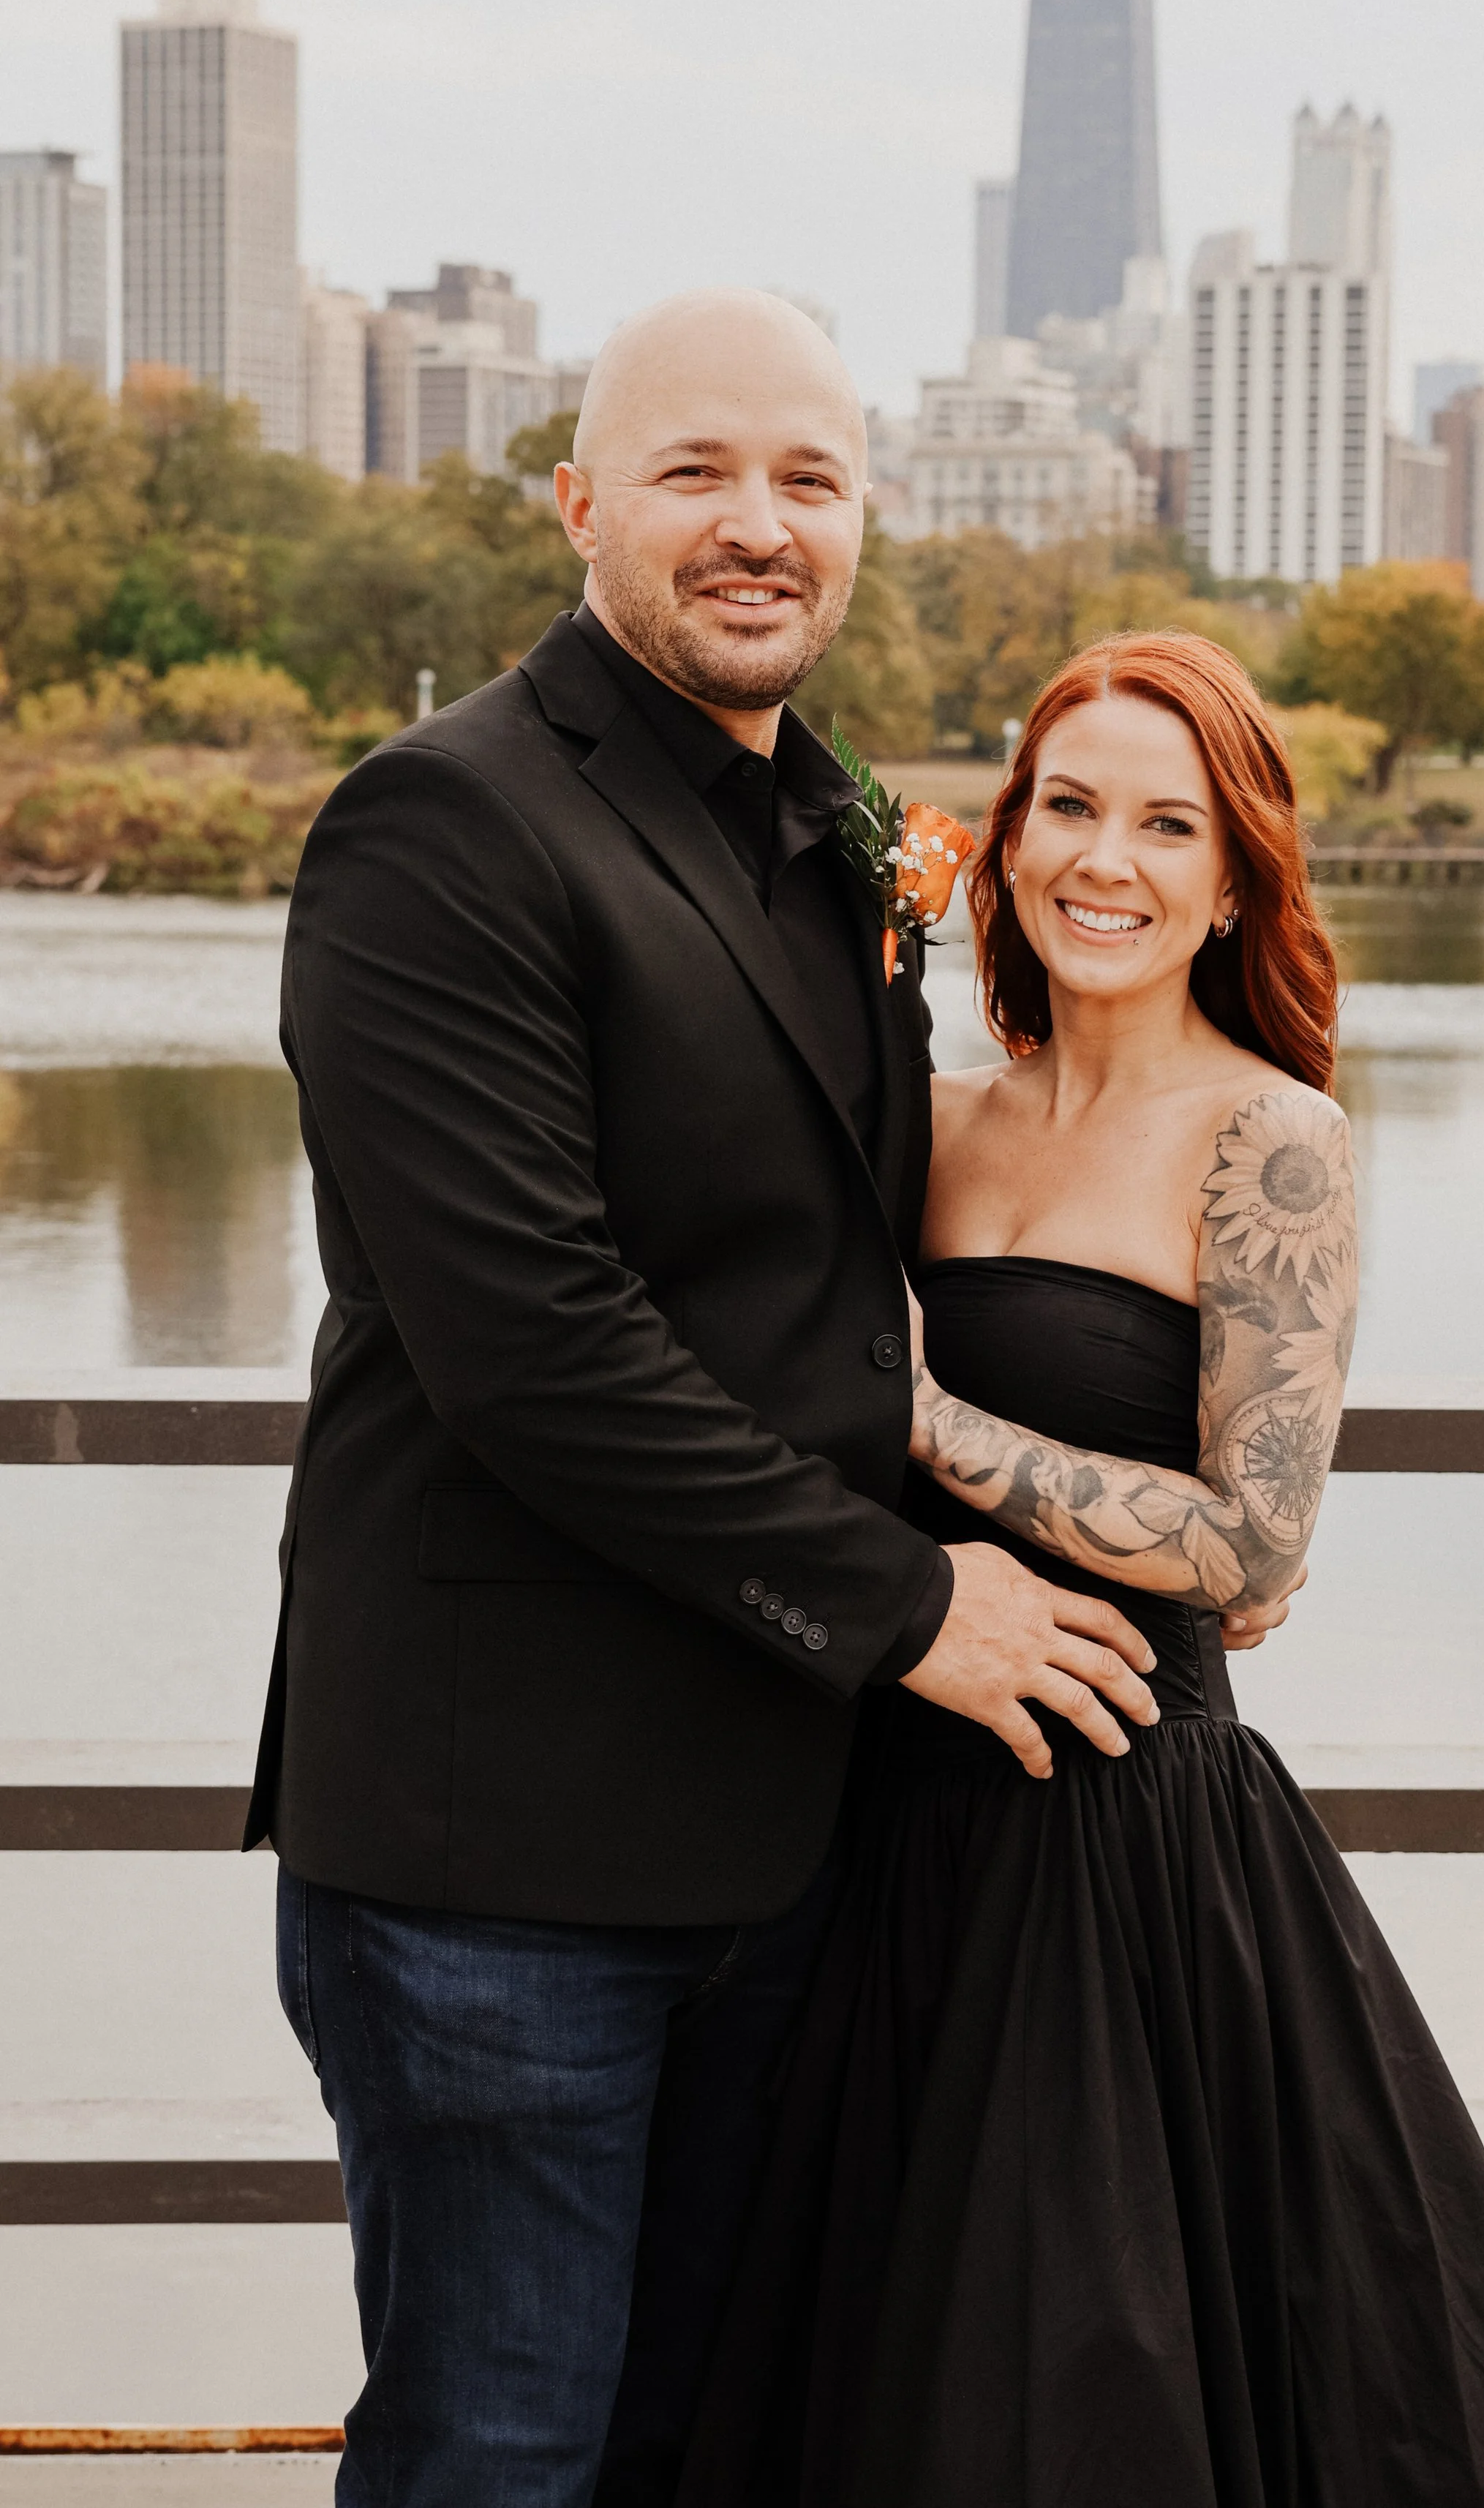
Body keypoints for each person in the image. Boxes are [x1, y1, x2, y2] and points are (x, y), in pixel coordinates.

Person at [242, 288, 1162, 2507]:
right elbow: (531, 1340)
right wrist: (914, 1603)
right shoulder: (437, 830)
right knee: (501, 2446)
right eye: (695, 473)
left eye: (808, 479)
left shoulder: (824, 824)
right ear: (578, 501)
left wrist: (1155, 1489)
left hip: (782, 1819)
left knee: (700, 2442)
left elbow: (844, 1291)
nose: (757, 525)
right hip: (503, 1852)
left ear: (863, 519)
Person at [679, 632, 1484, 2507]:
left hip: (1119, 1846)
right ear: (1010, 838)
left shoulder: (1266, 1141)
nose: (1106, 860)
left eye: (1164, 825)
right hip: (872, 1825)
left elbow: (1251, 1543)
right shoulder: (925, 1121)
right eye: (1070, 807)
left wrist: (938, 1428)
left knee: (1087, 2377)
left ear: (1228, 878)